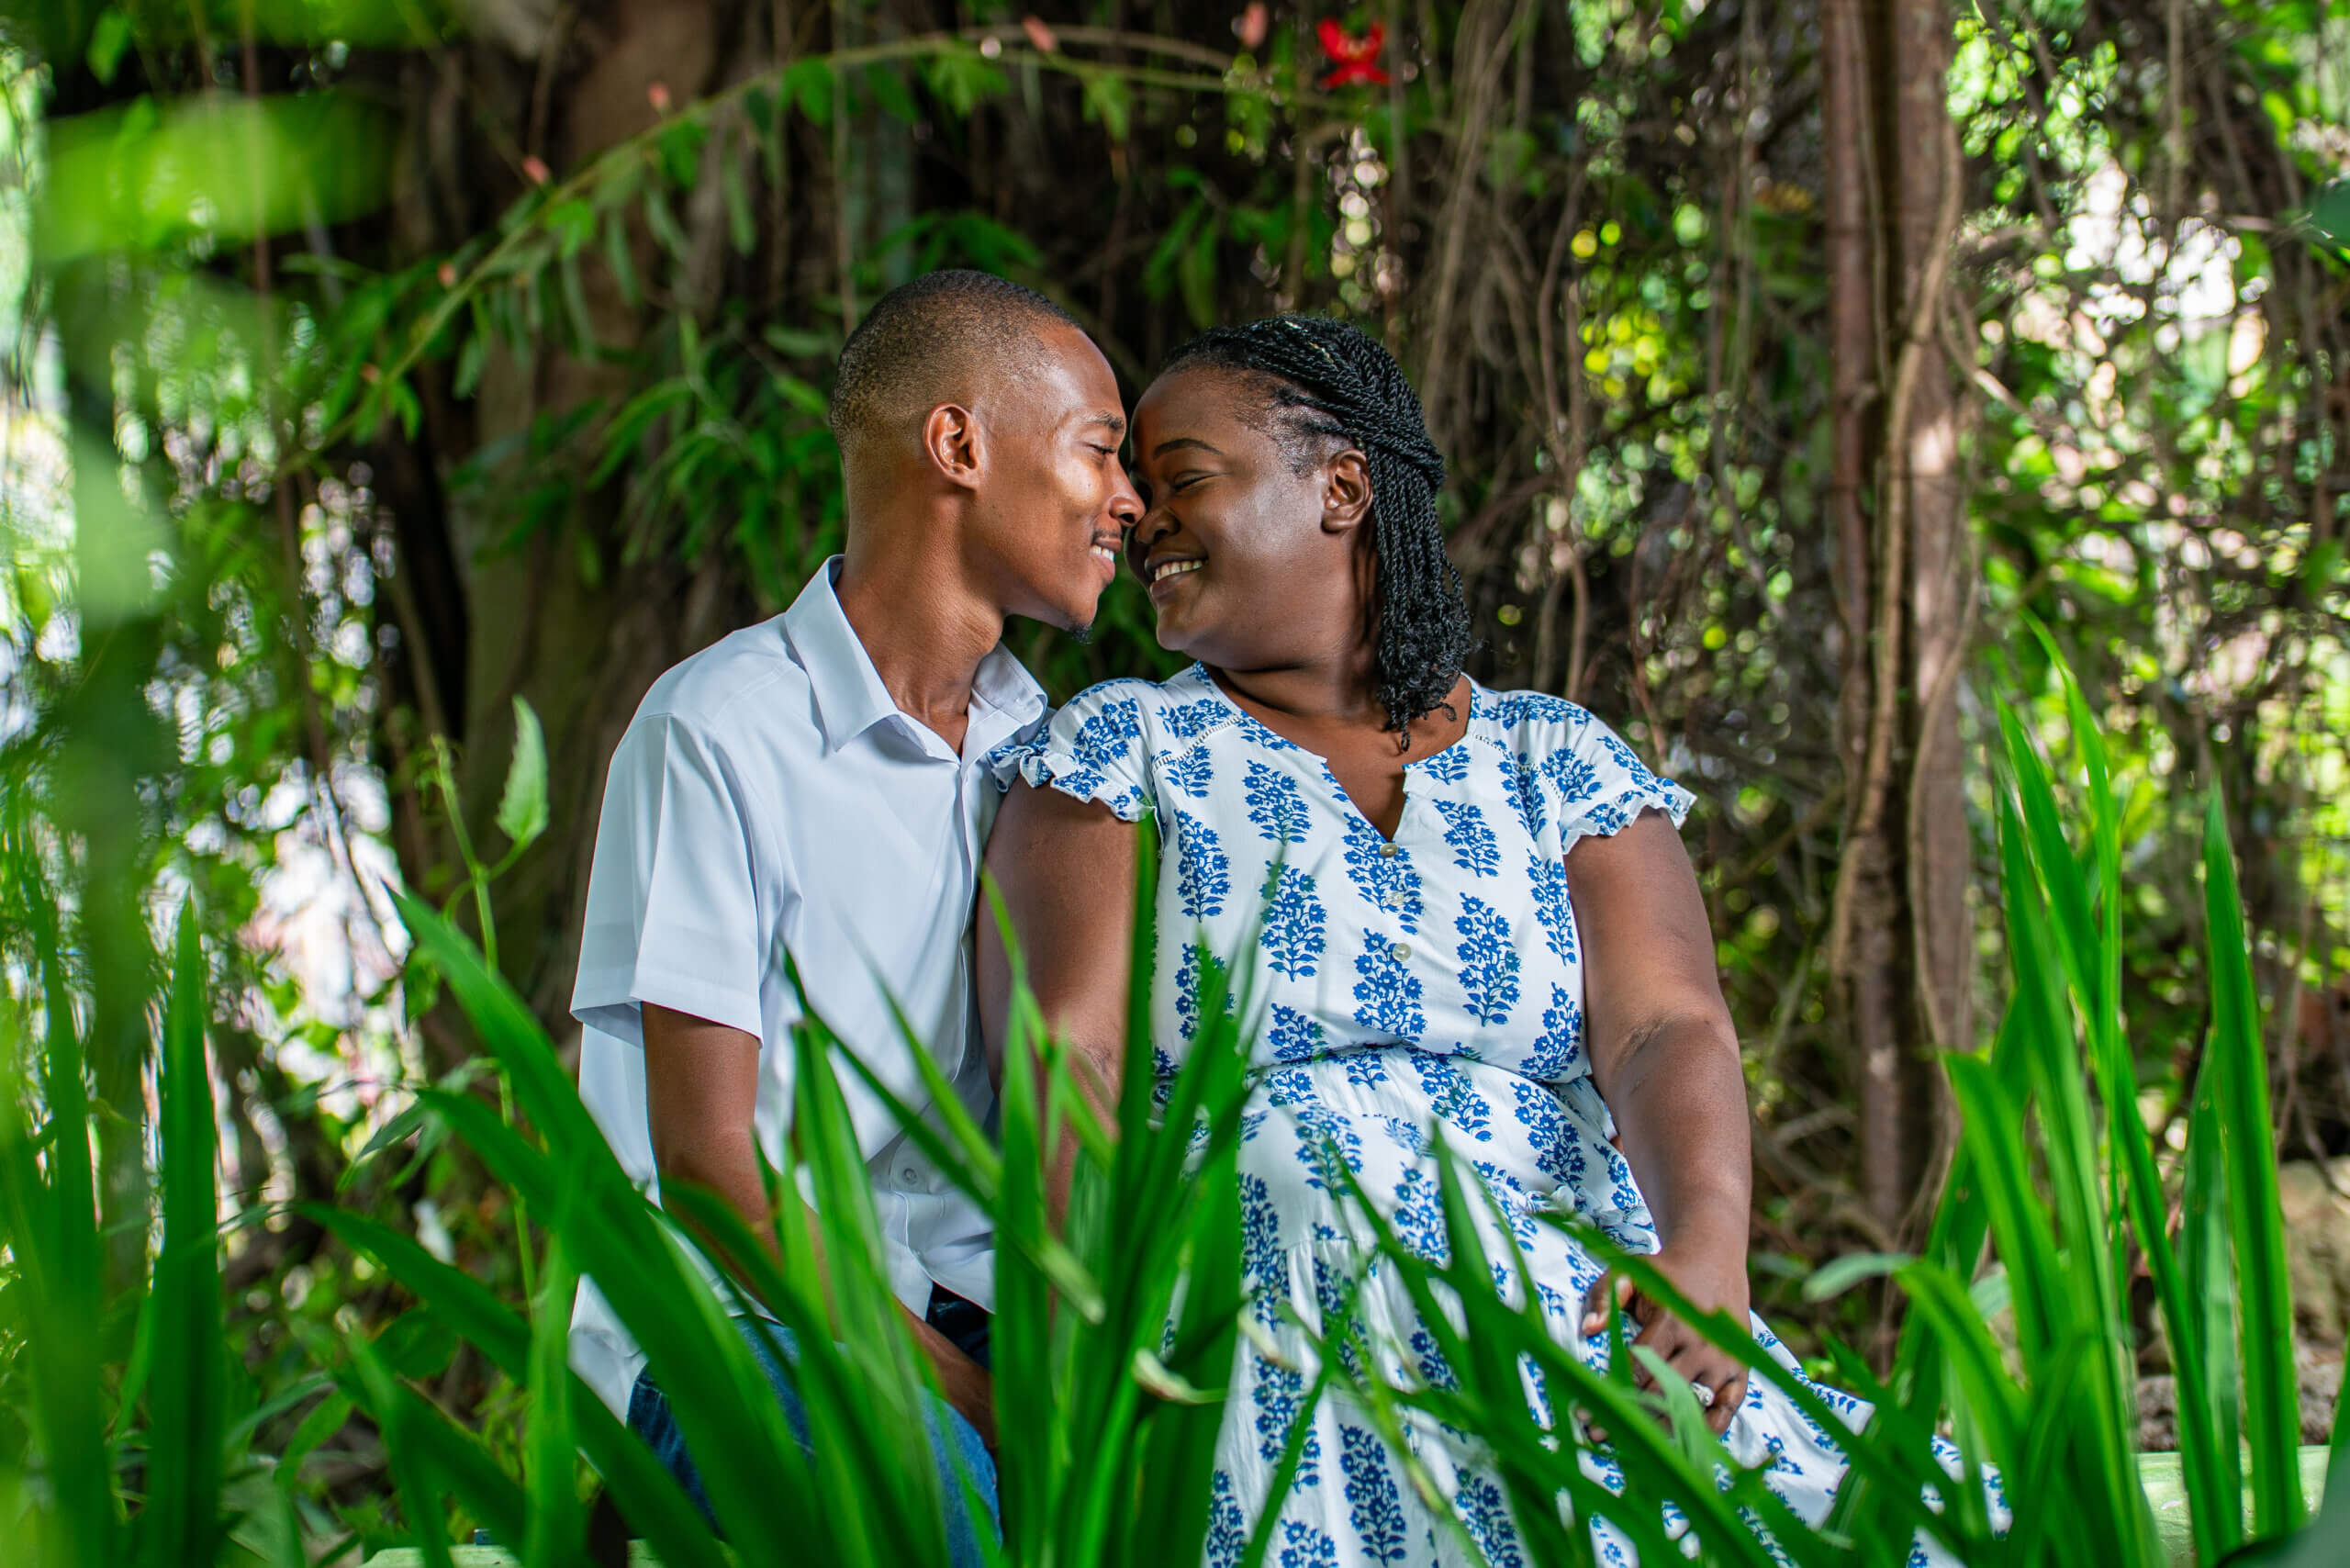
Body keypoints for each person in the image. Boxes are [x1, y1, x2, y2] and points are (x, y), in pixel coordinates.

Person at [978, 316, 1995, 1563]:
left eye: (1181, 475)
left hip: (1562, 1301)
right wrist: (1093, 1340)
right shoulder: (1117, 748)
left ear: (1343, 488)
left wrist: (1706, 1251)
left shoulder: (1551, 757)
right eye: (1135, 483)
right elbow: (1065, 1063)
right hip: (1256, 1317)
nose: (1139, 515)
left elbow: (1666, 1029)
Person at [567, 268, 1142, 1562]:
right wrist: (983, 1407)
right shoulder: (719, 732)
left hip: (974, 1309)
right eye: (1099, 450)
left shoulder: (1047, 754)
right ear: (959, 446)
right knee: (933, 1496)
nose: (1128, 499)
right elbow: (711, 1174)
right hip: (736, 1323)